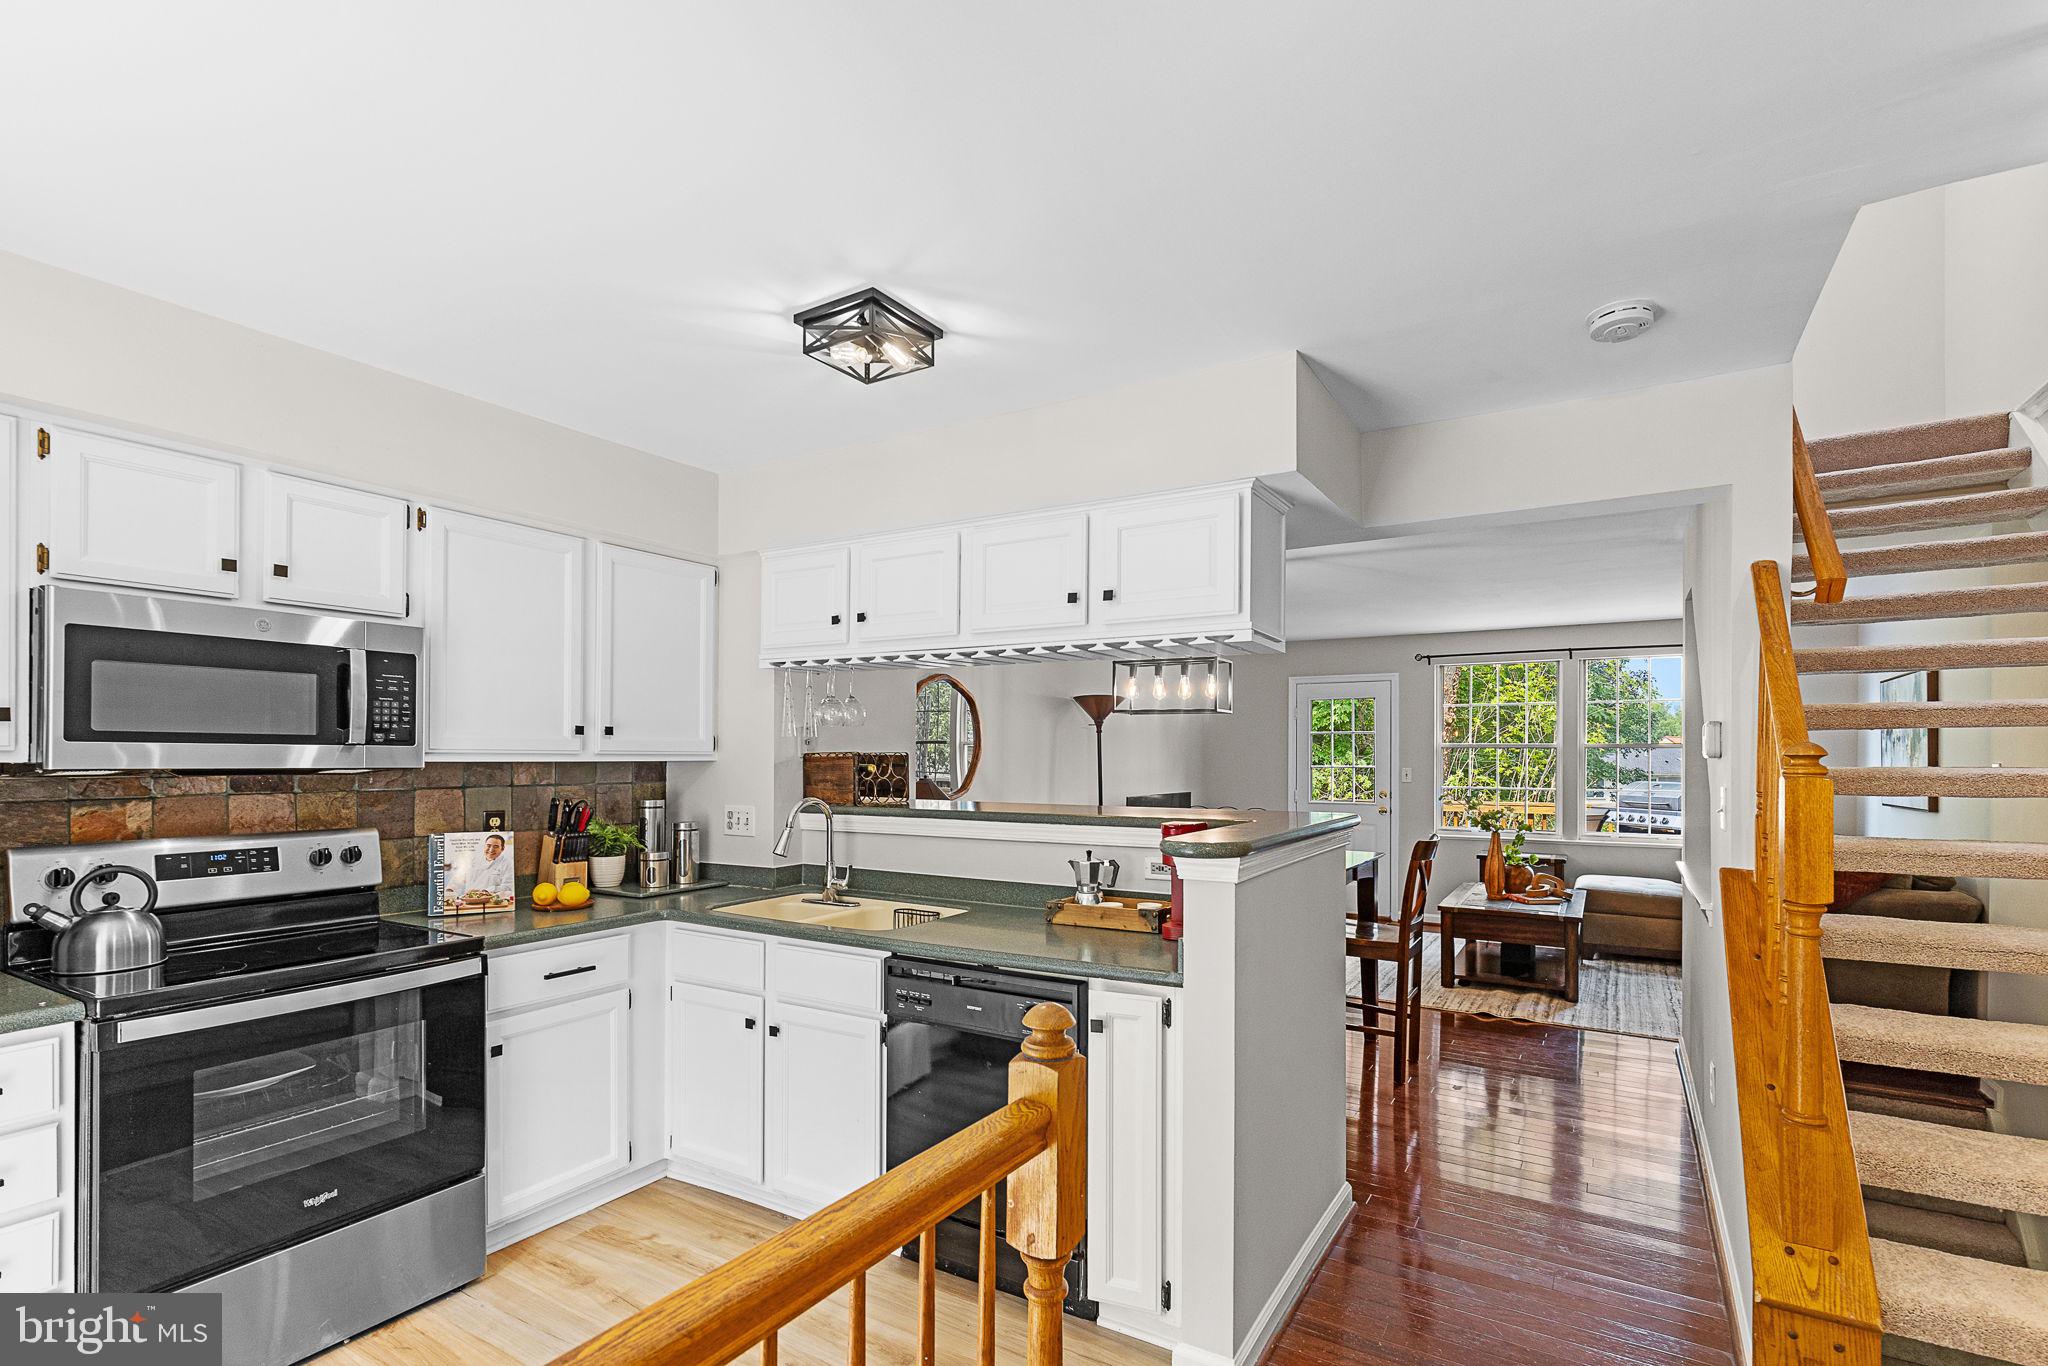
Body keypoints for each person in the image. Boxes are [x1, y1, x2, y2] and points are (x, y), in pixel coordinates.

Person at [465, 832, 516, 904]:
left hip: (491, 902)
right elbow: (461, 877)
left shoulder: (507, 863)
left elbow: (508, 887)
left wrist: (485, 891)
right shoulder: (474, 860)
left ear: (503, 848)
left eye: (496, 846)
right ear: (484, 846)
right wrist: (450, 888)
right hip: (469, 901)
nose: (491, 850)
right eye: (488, 846)